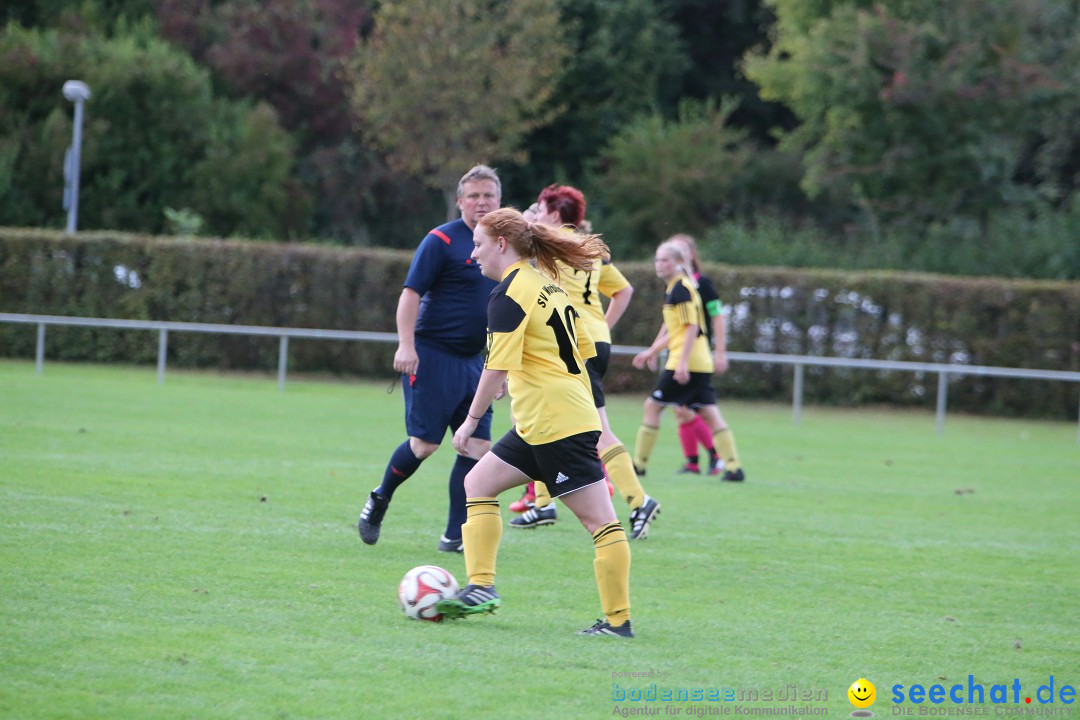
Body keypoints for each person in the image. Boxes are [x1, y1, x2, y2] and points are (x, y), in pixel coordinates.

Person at [436, 207, 634, 638]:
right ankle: (481, 587)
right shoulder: (548, 285)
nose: (474, 255)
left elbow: (492, 366)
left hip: (555, 423)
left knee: (600, 522)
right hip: (545, 420)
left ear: (501, 245)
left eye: (479, 245)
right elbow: (582, 351)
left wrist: (471, 421)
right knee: (478, 485)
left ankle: (618, 622)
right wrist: (522, 372)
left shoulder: (509, 293)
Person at [358, 165, 502, 553]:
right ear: (460, 202)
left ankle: (455, 535)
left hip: (477, 361)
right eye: (473, 196)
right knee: (424, 445)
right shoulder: (440, 240)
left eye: (488, 195)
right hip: (433, 356)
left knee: (477, 447)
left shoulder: (507, 246)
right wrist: (406, 346)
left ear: (499, 200)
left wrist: (504, 366)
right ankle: (380, 497)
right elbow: (410, 294)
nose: (481, 202)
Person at [510, 184, 661, 541]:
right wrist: (602, 328)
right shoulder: (588, 247)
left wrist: (523, 219)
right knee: (538, 417)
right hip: (589, 339)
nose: (538, 215)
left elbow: (515, 234)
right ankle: (543, 502)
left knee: (596, 430)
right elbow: (623, 290)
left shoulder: (549, 239)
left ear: (555, 214)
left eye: (543, 209)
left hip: (568, 342)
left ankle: (639, 500)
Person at [630, 239, 745, 483]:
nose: (659, 265)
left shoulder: (681, 288)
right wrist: (653, 350)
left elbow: (691, 327)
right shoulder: (680, 286)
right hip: (699, 360)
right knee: (709, 413)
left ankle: (638, 465)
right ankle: (734, 467)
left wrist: (681, 362)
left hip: (688, 360)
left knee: (652, 406)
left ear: (680, 262)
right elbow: (678, 329)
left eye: (665, 260)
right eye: (657, 260)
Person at [665, 234, 742, 481]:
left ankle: (716, 458)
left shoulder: (701, 284)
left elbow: (717, 316)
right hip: (682, 353)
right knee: (683, 410)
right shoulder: (676, 285)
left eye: (680, 250)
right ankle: (695, 462)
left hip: (696, 355)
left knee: (696, 411)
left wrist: (720, 351)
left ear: (689, 255)